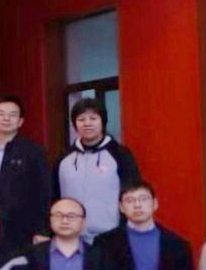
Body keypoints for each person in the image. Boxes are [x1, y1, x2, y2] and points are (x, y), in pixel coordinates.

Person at [55, 98, 142, 243]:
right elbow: (54, 194)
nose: (87, 123)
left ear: (103, 121)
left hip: (111, 237)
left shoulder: (120, 155)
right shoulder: (64, 157)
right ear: (75, 124)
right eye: (81, 119)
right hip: (71, 236)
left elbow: (133, 193)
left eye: (93, 118)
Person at [0, 95, 51, 249]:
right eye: (1, 114)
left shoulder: (34, 152)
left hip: (24, 230)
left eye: (12, 115)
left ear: (20, 121)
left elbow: (44, 193)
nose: (6, 118)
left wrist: (42, 230)